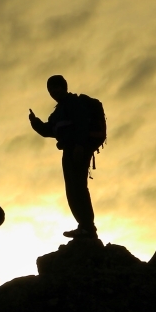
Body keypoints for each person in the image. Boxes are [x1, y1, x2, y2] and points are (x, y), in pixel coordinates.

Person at [28, 74, 107, 240]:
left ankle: (88, 227)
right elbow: (50, 130)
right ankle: (83, 226)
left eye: (56, 87)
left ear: (64, 87)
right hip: (68, 150)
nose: (53, 91)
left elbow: (82, 123)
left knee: (78, 188)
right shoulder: (58, 112)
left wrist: (79, 145)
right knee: (72, 189)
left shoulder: (74, 103)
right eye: (50, 89)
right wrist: (35, 123)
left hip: (78, 149)